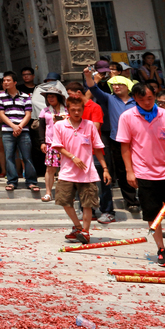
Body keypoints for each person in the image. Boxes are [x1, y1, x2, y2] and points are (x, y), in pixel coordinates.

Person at [117, 83, 165, 269]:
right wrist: (129, 171)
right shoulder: (127, 117)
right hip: (143, 172)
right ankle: (161, 248)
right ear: (134, 98)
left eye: (150, 98)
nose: (146, 102)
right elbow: (125, 146)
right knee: (153, 214)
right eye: (142, 99)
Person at [52, 95, 111, 246]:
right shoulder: (59, 125)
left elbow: (98, 148)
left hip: (87, 172)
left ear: (83, 110)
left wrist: (105, 168)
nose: (76, 113)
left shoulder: (90, 125)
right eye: (73, 110)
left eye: (79, 110)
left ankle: (85, 231)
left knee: (87, 203)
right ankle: (78, 227)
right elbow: (58, 146)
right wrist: (73, 157)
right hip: (67, 171)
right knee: (64, 201)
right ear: (68, 110)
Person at [85, 68, 140, 216]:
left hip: (138, 140)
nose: (116, 87)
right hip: (118, 139)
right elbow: (93, 88)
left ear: (127, 86)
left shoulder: (138, 101)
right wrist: (88, 76)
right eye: (114, 85)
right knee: (122, 171)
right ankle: (131, 201)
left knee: (142, 170)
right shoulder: (109, 99)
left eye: (120, 84)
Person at [0, 72, 37, 193]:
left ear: (15, 82)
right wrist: (13, 126)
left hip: (23, 130)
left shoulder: (25, 96)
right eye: (4, 81)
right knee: (9, 156)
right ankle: (12, 181)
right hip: (8, 130)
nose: (5, 82)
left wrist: (19, 126)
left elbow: (28, 114)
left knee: (26, 156)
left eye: (8, 80)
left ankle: (31, 181)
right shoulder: (0, 96)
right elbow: (1, 114)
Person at [35, 82, 66, 202]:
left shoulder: (68, 110)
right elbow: (41, 127)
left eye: (53, 96)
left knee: (66, 168)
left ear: (58, 97)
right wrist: (42, 142)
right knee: (50, 169)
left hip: (66, 144)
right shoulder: (45, 111)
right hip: (51, 143)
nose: (50, 98)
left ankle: (66, 193)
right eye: (48, 96)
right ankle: (48, 193)